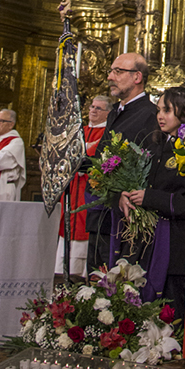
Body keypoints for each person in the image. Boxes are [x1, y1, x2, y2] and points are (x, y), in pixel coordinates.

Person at [117, 85, 185, 321]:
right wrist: (124, 195)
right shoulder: (153, 144)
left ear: (184, 114)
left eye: (167, 110)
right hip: (147, 241)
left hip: (176, 242)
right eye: (159, 110)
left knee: (173, 306)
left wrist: (151, 198)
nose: (160, 116)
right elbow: (138, 181)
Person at [85, 53, 159, 272]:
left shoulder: (150, 115)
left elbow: (146, 167)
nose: (110, 77)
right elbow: (102, 159)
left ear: (137, 77)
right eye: (111, 71)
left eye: (117, 71)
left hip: (124, 220)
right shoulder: (115, 113)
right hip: (101, 213)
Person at [55, 94, 111, 279]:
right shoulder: (79, 131)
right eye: (92, 107)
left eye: (98, 108)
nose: (93, 111)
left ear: (108, 113)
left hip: (89, 192)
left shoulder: (107, 134)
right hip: (71, 189)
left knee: (82, 227)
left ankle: (79, 276)